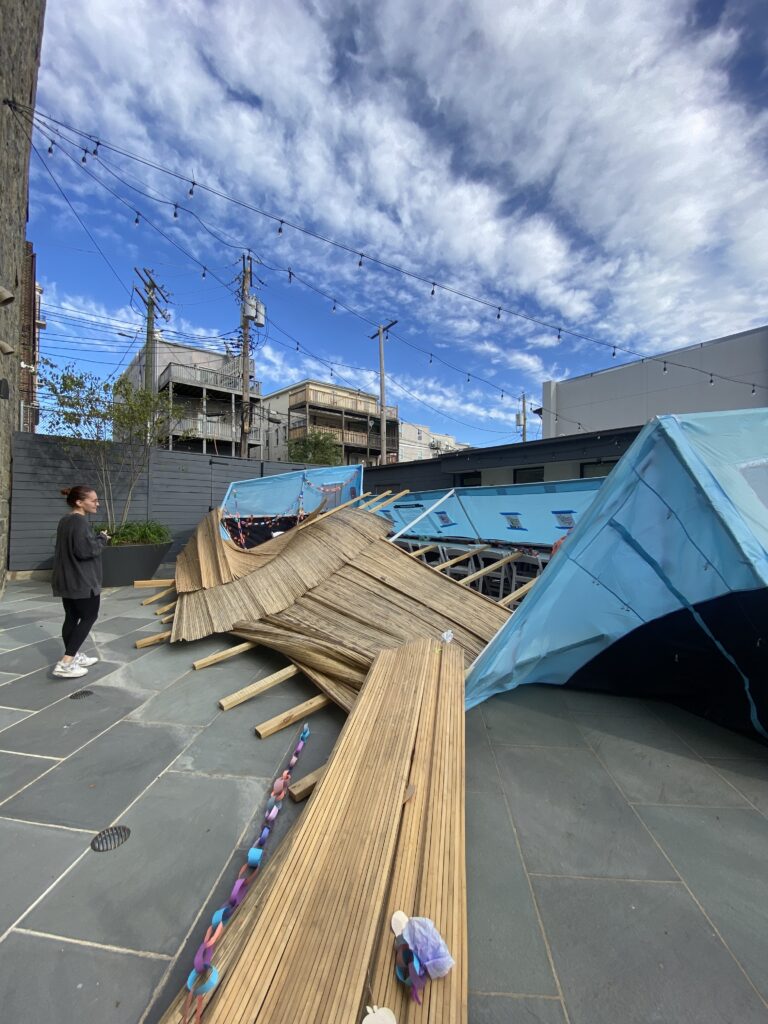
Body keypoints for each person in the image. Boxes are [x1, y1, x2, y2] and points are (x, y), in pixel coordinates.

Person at [51, 486, 110, 678]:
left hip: (67, 580)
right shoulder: (80, 522)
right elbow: (85, 552)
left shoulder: (65, 520)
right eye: (93, 500)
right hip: (82, 581)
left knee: (71, 617)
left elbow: (76, 547)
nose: (97, 503)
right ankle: (66, 662)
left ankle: (73, 655)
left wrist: (95, 539)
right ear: (79, 502)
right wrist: (102, 539)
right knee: (89, 617)